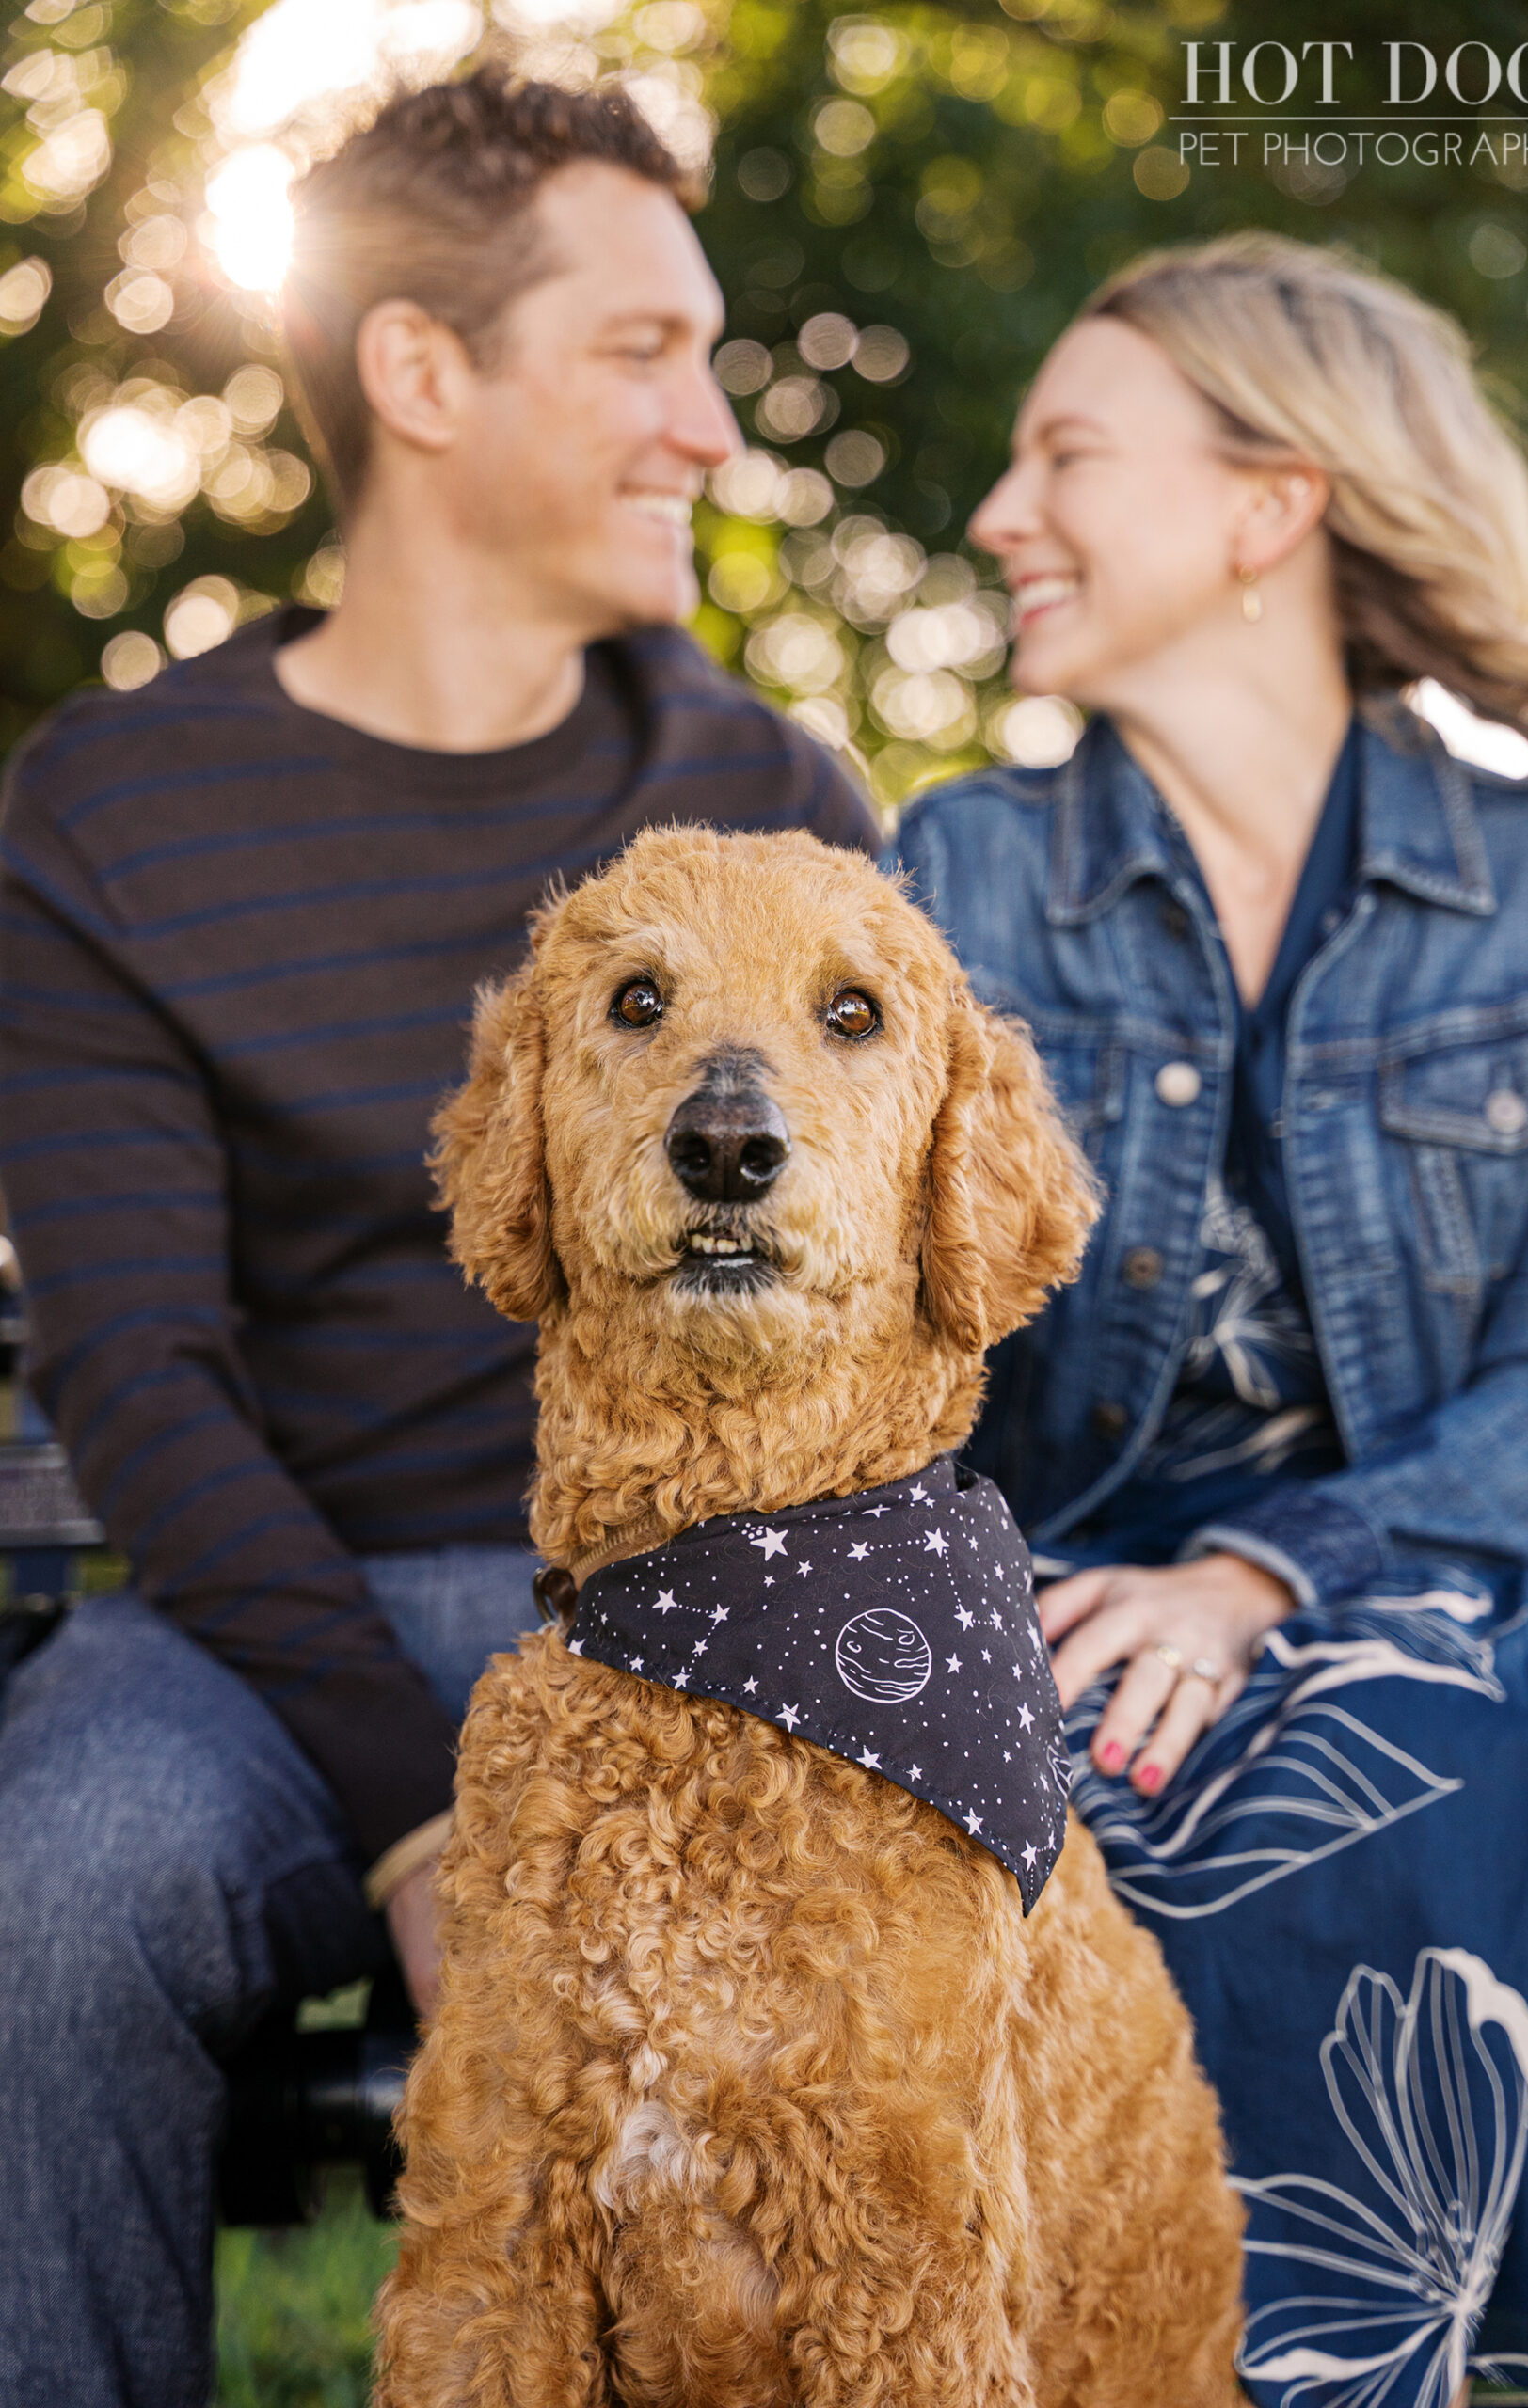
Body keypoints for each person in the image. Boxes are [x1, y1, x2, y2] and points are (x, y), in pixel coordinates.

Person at [0, 70, 876, 2408]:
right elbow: (138, 1377)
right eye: (638, 351)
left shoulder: (772, 802)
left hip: (691, 1586)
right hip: (262, 1603)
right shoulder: (110, 810)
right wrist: (422, 1810)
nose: (708, 422)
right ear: (419, 372)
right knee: (59, 1888)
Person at [888, 232, 1528, 2408]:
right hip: (1063, 1608)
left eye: (1064, 455)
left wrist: (1258, 1573)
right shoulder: (959, 873)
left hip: (1476, 1574)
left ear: (1262, 505)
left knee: (1445, 1729)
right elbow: (879, 1366)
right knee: (1171, 1790)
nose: (1002, 516)